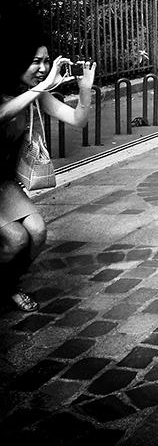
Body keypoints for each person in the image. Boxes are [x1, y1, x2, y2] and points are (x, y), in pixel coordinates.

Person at [0, 26, 96, 311]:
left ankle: (8, 285)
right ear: (16, 61)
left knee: (37, 232)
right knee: (15, 238)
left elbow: (77, 119)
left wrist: (85, 90)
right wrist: (42, 87)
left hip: (2, 180)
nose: (43, 69)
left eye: (46, 61)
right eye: (35, 62)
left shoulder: (35, 94)